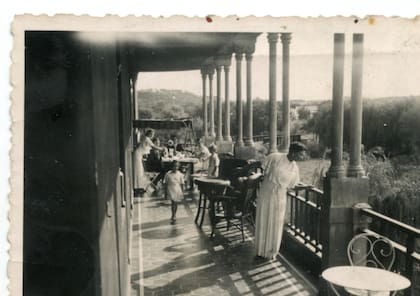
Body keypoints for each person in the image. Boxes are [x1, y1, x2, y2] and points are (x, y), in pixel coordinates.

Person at [254, 148, 300, 259]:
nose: (302, 157)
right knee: (264, 219)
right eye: (301, 154)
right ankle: (260, 250)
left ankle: (272, 251)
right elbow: (260, 167)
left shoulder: (294, 168)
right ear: (293, 152)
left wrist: (306, 188)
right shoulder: (275, 157)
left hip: (280, 196)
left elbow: (292, 185)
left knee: (276, 222)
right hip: (267, 192)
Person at [133, 129, 163, 196]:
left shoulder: (146, 139)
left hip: (140, 155)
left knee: (140, 171)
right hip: (138, 154)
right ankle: (137, 187)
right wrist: (162, 149)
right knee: (138, 171)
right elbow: (153, 146)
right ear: (149, 134)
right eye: (152, 134)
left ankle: (139, 186)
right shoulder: (147, 138)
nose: (152, 136)